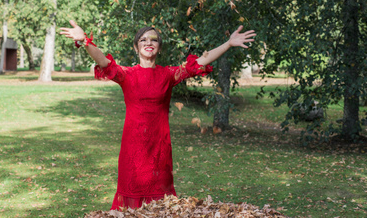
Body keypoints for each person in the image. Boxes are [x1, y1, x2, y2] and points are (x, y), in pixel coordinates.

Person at [59, 21, 256, 211]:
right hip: (132, 148)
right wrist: (85, 40)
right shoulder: (126, 74)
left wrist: (229, 43)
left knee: (161, 204)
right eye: (143, 40)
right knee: (130, 205)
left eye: (153, 40)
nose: (148, 43)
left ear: (159, 48)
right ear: (136, 47)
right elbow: (103, 61)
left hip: (159, 148)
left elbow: (200, 62)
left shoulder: (168, 75)